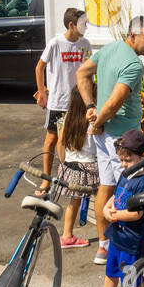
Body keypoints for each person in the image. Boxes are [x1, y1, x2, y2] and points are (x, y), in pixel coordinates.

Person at [75, 16, 144, 266]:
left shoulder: (109, 49)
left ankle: (104, 245)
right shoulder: (133, 64)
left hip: (105, 134)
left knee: (106, 187)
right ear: (132, 36)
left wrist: (90, 107)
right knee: (126, 190)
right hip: (122, 139)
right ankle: (123, 247)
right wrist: (96, 120)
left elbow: (82, 73)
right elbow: (113, 103)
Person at [78, 130, 144, 287]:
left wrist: (116, 215)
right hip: (117, 236)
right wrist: (108, 206)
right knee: (111, 271)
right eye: (121, 160)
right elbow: (116, 194)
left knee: (131, 279)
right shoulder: (127, 174)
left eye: (128, 160)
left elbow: (138, 213)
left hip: (132, 241)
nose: (123, 164)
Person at [34, 8, 92, 193]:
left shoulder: (86, 44)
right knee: (52, 139)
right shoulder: (56, 43)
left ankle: (67, 177)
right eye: (83, 24)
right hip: (58, 101)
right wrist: (42, 91)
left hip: (78, 102)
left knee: (72, 140)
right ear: (71, 25)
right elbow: (39, 67)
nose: (86, 27)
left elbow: (90, 71)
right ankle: (46, 179)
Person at [52, 92, 96, 249]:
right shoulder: (93, 121)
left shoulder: (68, 120)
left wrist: (63, 162)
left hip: (72, 166)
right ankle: (108, 237)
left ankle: (67, 235)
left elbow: (60, 142)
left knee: (73, 203)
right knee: (102, 201)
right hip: (91, 167)